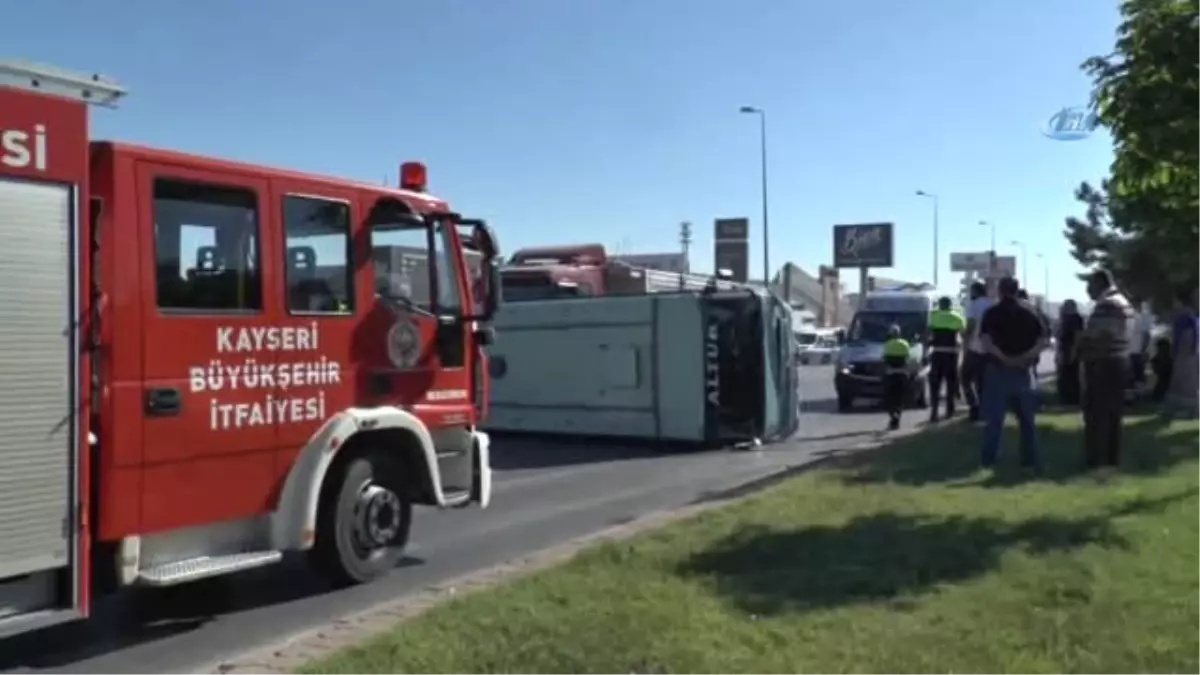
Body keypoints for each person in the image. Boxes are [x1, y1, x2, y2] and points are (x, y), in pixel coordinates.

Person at [978, 277, 1048, 470]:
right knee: (1027, 419)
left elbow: (986, 342)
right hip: (1023, 371)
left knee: (994, 418)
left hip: (997, 369)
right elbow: (1043, 340)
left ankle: (989, 459)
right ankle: (1029, 459)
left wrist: (1004, 358)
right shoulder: (1030, 313)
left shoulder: (991, 313)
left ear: (1000, 291)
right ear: (1017, 291)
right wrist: (1024, 357)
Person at [1077, 269, 1133, 469]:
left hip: (1104, 363)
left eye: (1089, 285)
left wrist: (1084, 341)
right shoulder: (1122, 301)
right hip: (1118, 361)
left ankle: (1097, 458)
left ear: (1099, 284)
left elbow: (1102, 335)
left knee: (1097, 414)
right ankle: (1111, 457)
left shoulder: (1108, 305)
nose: (1087, 290)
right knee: (1112, 414)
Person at [925, 296, 964, 422]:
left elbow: (928, 333)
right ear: (950, 305)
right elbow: (962, 332)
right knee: (951, 382)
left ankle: (934, 412)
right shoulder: (957, 316)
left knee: (935, 384)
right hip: (952, 353)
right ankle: (950, 410)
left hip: (937, 353)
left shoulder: (933, 316)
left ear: (940, 305)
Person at [1164, 289, 1198, 418]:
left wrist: (1177, 350)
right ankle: (1184, 408)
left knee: (1184, 381)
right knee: (1183, 380)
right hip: (1187, 353)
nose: (1174, 303)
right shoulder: (1188, 316)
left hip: (1184, 352)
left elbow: (1183, 336)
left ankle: (1189, 409)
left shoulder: (1184, 317)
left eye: (1175, 301)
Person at [961, 281, 991, 421]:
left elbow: (971, 326)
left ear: (976, 291)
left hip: (975, 348)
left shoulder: (974, 305)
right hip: (990, 349)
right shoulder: (991, 304)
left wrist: (964, 340)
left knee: (965, 378)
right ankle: (985, 409)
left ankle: (974, 407)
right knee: (983, 381)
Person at [882, 324, 912, 431]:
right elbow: (907, 359)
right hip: (902, 374)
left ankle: (893, 415)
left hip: (890, 374)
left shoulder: (887, 345)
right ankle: (897, 415)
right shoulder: (905, 344)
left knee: (890, 398)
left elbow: (884, 360)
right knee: (900, 398)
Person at [1056, 300, 1085, 405]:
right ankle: (1065, 398)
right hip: (1065, 350)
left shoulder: (1076, 319)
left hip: (1071, 350)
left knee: (1071, 376)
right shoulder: (1065, 319)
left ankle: (1072, 399)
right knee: (1064, 375)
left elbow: (1078, 336)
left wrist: (1074, 352)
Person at [1151, 335, 1173, 404]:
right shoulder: (1169, 358)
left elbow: (1156, 370)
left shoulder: (1160, 357)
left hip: (1164, 383)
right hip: (1165, 382)